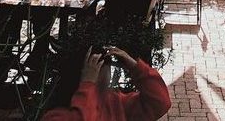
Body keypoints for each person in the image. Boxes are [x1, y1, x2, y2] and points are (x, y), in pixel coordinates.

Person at [42, 46, 171, 121]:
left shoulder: (115, 102)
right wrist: (87, 85)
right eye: (98, 72)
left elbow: (159, 103)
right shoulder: (56, 115)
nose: (107, 79)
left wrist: (135, 67)